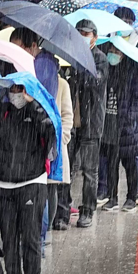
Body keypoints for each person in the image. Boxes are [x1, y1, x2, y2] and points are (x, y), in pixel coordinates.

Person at [0, 82, 56, 274]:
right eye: (12, 89)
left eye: (21, 89)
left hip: (32, 181)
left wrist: (33, 105)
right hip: (3, 182)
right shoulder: (2, 110)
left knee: (31, 235)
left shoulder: (39, 111)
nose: (16, 94)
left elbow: (50, 131)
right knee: (9, 235)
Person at [57, 20, 108, 229]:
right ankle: (62, 211)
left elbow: (95, 83)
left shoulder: (100, 59)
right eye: (79, 33)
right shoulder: (68, 56)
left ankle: (87, 210)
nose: (83, 36)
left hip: (91, 123)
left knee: (89, 171)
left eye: (86, 34)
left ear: (94, 37)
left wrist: (82, 63)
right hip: (72, 122)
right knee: (66, 169)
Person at [100, 43, 138, 213]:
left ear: (124, 55)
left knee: (129, 164)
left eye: (116, 52)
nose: (112, 54)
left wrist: (129, 119)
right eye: (111, 51)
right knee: (111, 163)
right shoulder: (108, 72)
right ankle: (112, 197)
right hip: (110, 124)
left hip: (127, 127)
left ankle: (131, 197)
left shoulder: (133, 76)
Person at [50, 74, 75, 231]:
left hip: (56, 144)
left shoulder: (62, 84)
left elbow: (67, 115)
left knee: (54, 187)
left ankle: (59, 217)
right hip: (37, 146)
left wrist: (62, 137)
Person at [10, 28, 59, 98]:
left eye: (19, 50)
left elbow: (27, 88)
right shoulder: (42, 61)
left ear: (33, 46)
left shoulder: (43, 64)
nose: (16, 55)